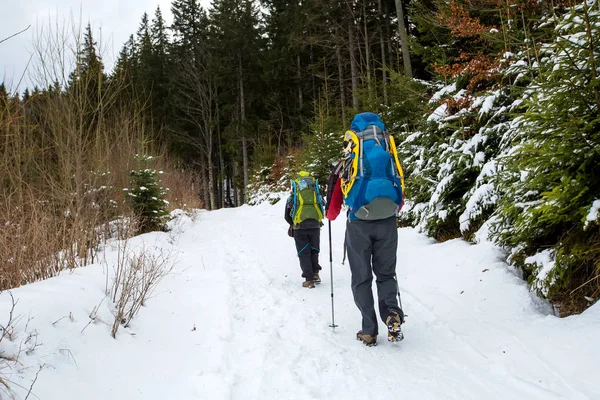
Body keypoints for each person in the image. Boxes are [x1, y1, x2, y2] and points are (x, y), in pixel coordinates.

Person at [326, 112, 405, 346]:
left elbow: (333, 205)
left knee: (361, 278)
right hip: (388, 222)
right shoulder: (388, 154)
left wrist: (331, 215)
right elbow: (399, 194)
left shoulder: (350, 158)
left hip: (359, 223)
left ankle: (369, 331)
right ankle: (392, 313)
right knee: (386, 274)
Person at [285, 171, 325, 288]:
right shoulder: (315, 194)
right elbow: (322, 205)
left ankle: (309, 279)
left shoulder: (294, 196)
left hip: (300, 227)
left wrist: (293, 223)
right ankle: (316, 274)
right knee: (314, 250)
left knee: (303, 252)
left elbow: (287, 215)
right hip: (315, 225)